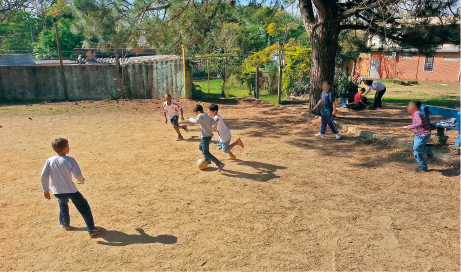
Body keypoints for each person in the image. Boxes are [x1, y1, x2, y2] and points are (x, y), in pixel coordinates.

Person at [40, 138, 104, 237]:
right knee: (83, 206)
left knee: (62, 202)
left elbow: (43, 175)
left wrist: (46, 190)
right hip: (70, 190)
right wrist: (81, 181)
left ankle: (65, 223)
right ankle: (91, 229)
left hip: (57, 191)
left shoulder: (49, 160)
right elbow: (77, 175)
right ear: (65, 148)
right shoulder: (70, 160)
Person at [188, 105, 226, 171]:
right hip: (207, 136)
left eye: (196, 113)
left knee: (206, 153)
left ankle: (219, 163)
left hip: (205, 137)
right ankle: (207, 159)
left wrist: (189, 119)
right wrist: (213, 126)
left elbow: (196, 121)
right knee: (201, 147)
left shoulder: (201, 115)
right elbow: (215, 122)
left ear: (198, 112)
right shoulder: (207, 115)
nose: (196, 115)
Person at [401, 100, 433, 172]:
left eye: (409, 106)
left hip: (424, 134)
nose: (408, 107)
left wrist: (408, 127)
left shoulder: (417, 113)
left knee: (417, 147)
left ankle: (429, 151)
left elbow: (420, 123)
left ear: (414, 107)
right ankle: (423, 167)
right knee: (416, 153)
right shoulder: (414, 114)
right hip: (418, 135)